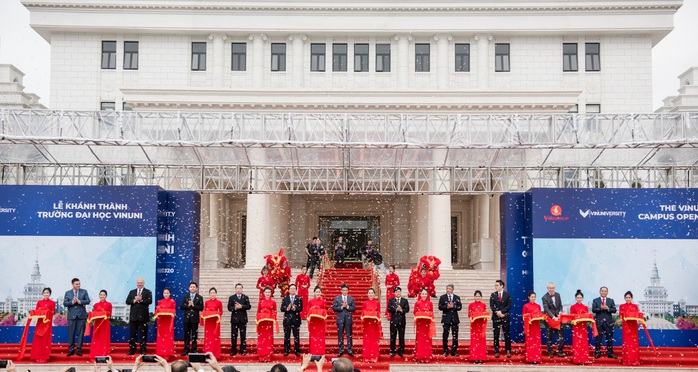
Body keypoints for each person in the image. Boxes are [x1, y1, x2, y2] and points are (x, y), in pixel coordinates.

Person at [63, 277, 90, 356]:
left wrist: (79, 301)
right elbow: (65, 303)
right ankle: (70, 349)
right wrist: (72, 302)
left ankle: (79, 349)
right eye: (77, 284)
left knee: (81, 333)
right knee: (71, 333)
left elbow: (88, 301)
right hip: (71, 316)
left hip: (81, 316)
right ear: (72, 284)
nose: (78, 285)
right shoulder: (68, 293)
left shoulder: (84, 292)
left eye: (79, 284)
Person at [126, 277, 153, 355]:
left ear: (143, 283)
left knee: (143, 334)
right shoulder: (132, 292)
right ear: (136, 283)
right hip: (133, 317)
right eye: (138, 283)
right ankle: (132, 349)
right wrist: (134, 300)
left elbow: (150, 301)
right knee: (132, 334)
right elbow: (127, 301)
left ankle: (143, 349)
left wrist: (141, 300)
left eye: (141, 283)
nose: (139, 284)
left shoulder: (148, 292)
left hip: (143, 317)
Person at [28, 287, 55, 362]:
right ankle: (37, 356)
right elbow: (37, 311)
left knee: (46, 339)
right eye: (45, 292)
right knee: (38, 339)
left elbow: (53, 312)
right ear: (42, 294)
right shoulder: (39, 302)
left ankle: (44, 357)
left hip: (47, 323)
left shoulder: (52, 303)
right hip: (40, 323)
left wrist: (47, 312)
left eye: (47, 293)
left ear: (50, 294)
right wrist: (41, 311)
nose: (46, 294)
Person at [592, 286, 617, 359]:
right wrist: (600, 308)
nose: (603, 292)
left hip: (608, 322)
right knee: (598, 339)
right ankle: (597, 353)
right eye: (602, 291)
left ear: (607, 292)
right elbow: (593, 310)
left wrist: (608, 308)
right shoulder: (595, 300)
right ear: (600, 292)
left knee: (609, 338)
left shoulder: (611, 300)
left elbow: (614, 310)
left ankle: (610, 353)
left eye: (605, 291)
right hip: (599, 322)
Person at [180, 281, 204, 356]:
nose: (192, 288)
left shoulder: (199, 297)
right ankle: (186, 349)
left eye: (194, 287)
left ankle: (194, 349)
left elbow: (201, 308)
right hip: (186, 319)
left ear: (196, 288)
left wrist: (193, 305)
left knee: (194, 335)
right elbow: (181, 307)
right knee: (186, 335)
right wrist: (188, 305)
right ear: (189, 288)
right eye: (191, 287)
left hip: (195, 319)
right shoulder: (185, 297)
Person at [542, 282, 565, 358]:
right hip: (549, 320)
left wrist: (560, 313)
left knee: (560, 336)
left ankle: (560, 351)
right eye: (550, 288)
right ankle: (550, 352)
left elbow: (560, 306)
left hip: (558, 319)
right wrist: (553, 317)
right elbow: (546, 309)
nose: (551, 289)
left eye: (553, 288)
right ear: (547, 288)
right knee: (549, 336)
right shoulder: (544, 297)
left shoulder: (558, 295)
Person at [438, 284, 462, 357]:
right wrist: (447, 307)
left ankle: (454, 351)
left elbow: (460, 307)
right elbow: (440, 307)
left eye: (449, 289)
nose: (448, 290)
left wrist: (454, 306)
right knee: (445, 335)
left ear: (452, 289)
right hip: (446, 319)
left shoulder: (457, 297)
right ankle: (445, 351)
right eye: (447, 288)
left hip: (454, 319)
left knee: (455, 336)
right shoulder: (443, 297)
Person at [489, 279, 512, 358]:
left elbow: (509, 305)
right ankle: (496, 350)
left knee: (507, 334)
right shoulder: (493, 295)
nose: (496, 287)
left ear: (502, 286)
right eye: (495, 285)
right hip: (496, 317)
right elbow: (492, 306)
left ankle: (508, 350)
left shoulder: (507, 295)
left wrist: (501, 312)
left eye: (497, 285)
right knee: (496, 334)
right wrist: (497, 312)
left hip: (505, 316)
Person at [227, 283, 251, 356]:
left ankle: (243, 349)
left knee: (243, 335)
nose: (239, 289)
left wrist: (241, 306)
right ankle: (233, 350)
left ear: (242, 289)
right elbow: (229, 307)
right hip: (234, 319)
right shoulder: (232, 297)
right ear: (235, 289)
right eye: (237, 288)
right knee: (234, 335)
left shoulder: (245, 297)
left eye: (240, 288)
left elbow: (249, 306)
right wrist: (235, 308)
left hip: (243, 319)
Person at [332, 284, 355, 357]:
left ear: (348, 291)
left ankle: (350, 349)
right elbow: (334, 308)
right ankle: (341, 349)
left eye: (346, 290)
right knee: (340, 335)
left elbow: (353, 308)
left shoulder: (351, 299)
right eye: (343, 290)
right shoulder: (337, 298)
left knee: (349, 335)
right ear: (341, 290)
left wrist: (347, 306)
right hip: (340, 318)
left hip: (348, 318)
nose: (345, 291)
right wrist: (342, 307)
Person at [88, 289, 112, 360]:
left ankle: (104, 355)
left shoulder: (109, 304)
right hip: (97, 324)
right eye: (101, 295)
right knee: (97, 339)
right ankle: (95, 355)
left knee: (104, 339)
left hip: (105, 324)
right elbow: (94, 314)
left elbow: (110, 314)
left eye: (103, 295)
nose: (102, 296)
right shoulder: (96, 305)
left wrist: (104, 313)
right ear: (99, 295)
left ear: (106, 296)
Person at [256, 286, 278, 362]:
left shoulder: (273, 302)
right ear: (263, 293)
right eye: (266, 292)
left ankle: (268, 355)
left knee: (268, 339)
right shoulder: (260, 302)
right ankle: (261, 355)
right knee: (262, 339)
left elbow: (275, 312)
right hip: (262, 323)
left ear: (271, 293)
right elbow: (258, 312)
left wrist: (271, 315)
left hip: (269, 323)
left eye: (269, 292)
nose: (267, 294)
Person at [619, 290, 640, 366]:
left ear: (632, 298)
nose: (628, 299)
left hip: (633, 326)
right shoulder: (622, 306)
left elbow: (637, 315)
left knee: (634, 343)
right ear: (625, 298)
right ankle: (627, 360)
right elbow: (621, 315)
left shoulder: (635, 306)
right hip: (626, 326)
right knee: (627, 343)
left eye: (629, 297)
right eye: (626, 297)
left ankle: (634, 360)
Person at [570, 289, 591, 365]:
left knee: (583, 342)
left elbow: (587, 316)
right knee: (576, 342)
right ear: (576, 298)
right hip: (576, 327)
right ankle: (577, 359)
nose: (579, 299)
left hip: (583, 326)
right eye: (578, 297)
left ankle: (584, 359)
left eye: (580, 298)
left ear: (582, 298)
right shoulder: (573, 307)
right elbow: (571, 317)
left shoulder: (585, 307)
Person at [414, 288, 435, 363]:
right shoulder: (417, 303)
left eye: (425, 294)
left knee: (427, 340)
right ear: (420, 294)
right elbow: (415, 312)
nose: (424, 295)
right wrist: (421, 313)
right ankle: (420, 356)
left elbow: (431, 312)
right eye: (423, 294)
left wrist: (427, 313)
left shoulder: (430, 303)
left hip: (427, 324)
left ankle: (427, 356)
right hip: (420, 324)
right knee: (420, 340)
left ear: (427, 295)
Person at [155, 287, 177, 359]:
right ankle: (160, 353)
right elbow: (157, 312)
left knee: (168, 337)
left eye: (167, 293)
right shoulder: (160, 302)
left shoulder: (172, 302)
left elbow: (173, 311)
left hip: (168, 322)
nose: (166, 294)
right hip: (162, 322)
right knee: (161, 337)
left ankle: (168, 354)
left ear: (170, 294)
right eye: (164, 293)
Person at [360, 287, 381, 363]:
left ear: (374, 294)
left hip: (374, 324)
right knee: (367, 340)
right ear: (367, 294)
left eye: (372, 293)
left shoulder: (377, 303)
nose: (370, 294)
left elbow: (378, 312)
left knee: (374, 340)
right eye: (369, 293)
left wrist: (373, 313)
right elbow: (363, 312)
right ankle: (367, 356)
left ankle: (374, 356)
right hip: (367, 324)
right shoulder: (365, 303)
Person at [281, 284, 303, 356]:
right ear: (289, 290)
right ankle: (286, 350)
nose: (292, 290)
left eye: (294, 288)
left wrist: (295, 309)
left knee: (296, 336)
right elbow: (282, 308)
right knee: (287, 336)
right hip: (287, 320)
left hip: (296, 320)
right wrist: (287, 308)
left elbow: (301, 308)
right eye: (291, 288)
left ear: (296, 290)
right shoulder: (285, 298)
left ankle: (297, 350)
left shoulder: (299, 298)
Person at [522, 291, 543, 364]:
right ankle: (530, 358)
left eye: (534, 297)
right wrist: (530, 315)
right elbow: (523, 316)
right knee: (530, 341)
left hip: (536, 325)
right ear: (529, 297)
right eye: (532, 297)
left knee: (536, 341)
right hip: (529, 325)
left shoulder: (538, 306)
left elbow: (540, 314)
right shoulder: (526, 306)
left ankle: (537, 358)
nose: (533, 298)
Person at [468, 290, 488, 363]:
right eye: (476, 296)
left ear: (481, 297)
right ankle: (475, 357)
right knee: (474, 341)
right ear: (474, 297)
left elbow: (485, 314)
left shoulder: (483, 305)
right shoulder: (471, 305)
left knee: (481, 341)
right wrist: (474, 315)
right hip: (474, 325)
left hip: (481, 325)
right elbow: (469, 315)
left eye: (479, 296)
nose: (477, 297)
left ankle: (481, 357)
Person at [387, 286, 409, 357]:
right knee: (393, 336)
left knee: (401, 336)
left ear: (401, 292)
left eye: (399, 291)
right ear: (394, 293)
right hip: (394, 320)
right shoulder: (391, 300)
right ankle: (392, 350)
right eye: (396, 292)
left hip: (402, 320)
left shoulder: (404, 300)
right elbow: (389, 309)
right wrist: (396, 310)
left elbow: (407, 309)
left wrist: (402, 310)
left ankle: (401, 351)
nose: (398, 293)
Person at [202, 287, 223, 359]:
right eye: (211, 293)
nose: (212, 294)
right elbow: (204, 311)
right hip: (208, 322)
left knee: (215, 338)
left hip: (215, 322)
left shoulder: (219, 302)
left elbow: (221, 312)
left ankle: (216, 354)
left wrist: (215, 313)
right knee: (208, 338)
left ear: (216, 294)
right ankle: (207, 354)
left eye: (214, 293)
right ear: (209, 294)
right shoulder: (207, 302)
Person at [306, 286, 327, 356]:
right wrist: (313, 309)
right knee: (313, 337)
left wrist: (318, 310)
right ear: (314, 293)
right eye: (316, 292)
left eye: (319, 292)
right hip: (313, 322)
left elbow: (325, 311)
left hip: (320, 322)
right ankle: (313, 352)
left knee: (320, 337)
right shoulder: (310, 301)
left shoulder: (323, 302)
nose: (318, 293)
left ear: (321, 293)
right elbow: (308, 311)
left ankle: (321, 353)